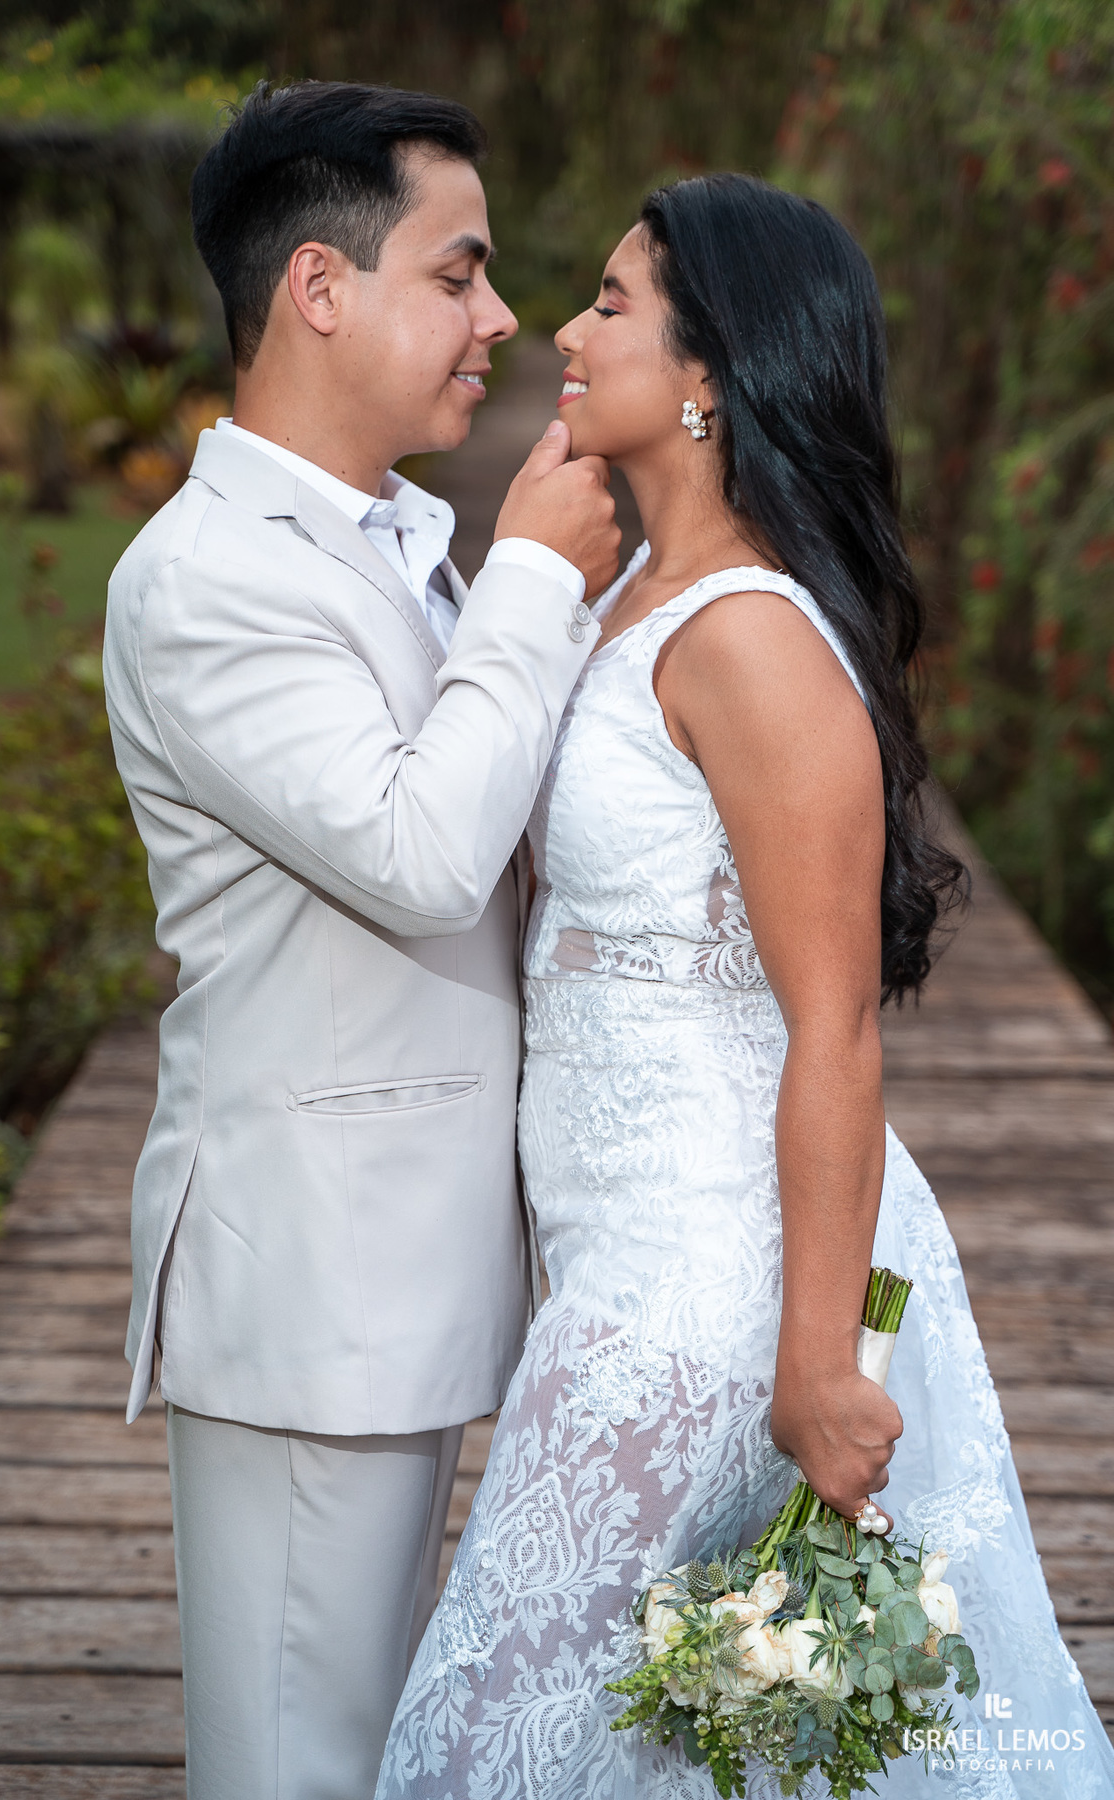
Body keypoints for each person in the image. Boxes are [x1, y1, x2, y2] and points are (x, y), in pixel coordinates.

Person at [377, 174, 1114, 1798]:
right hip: (613, 1259)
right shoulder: (625, 600)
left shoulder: (750, 640)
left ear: (711, 372)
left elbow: (835, 1024)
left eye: (614, 304)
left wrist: (822, 1364)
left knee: (484, 1745)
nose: (563, 331)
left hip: (707, 1282)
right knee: (633, 1746)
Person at [102, 79, 620, 1800]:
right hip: (313, 1285)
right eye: (458, 274)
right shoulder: (208, 578)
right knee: (297, 1766)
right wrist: (535, 577)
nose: (501, 319)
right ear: (320, 289)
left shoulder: (394, 544)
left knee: (378, 1749)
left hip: (408, 1270)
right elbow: (417, 854)